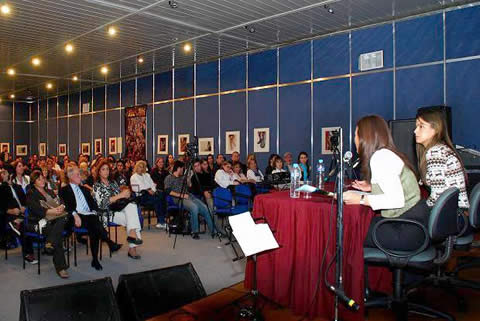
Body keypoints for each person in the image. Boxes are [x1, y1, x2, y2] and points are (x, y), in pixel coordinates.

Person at [343, 115, 429, 251]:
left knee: (348, 233)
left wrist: (360, 199)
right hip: (415, 225)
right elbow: (397, 187)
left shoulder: (380, 157)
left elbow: (396, 200)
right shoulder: (387, 154)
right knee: (359, 226)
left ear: (366, 137)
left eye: (356, 135)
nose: (354, 140)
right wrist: (373, 187)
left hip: (406, 230)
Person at [59, 166, 122, 271]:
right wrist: (75, 214)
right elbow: (66, 206)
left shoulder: (84, 189)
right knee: (94, 223)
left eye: (80, 174)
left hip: (89, 215)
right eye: (77, 175)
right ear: (70, 177)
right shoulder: (64, 190)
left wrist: (96, 211)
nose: (80, 177)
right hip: (76, 216)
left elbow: (93, 205)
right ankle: (108, 243)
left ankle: (96, 259)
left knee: (94, 227)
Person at [415, 109, 469, 210]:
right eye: (416, 126)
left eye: (421, 126)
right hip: (456, 212)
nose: (415, 131)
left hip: (451, 215)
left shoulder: (435, 153)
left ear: (435, 129)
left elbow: (437, 197)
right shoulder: (441, 148)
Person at [93, 160, 142, 260]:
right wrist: (120, 195)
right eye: (103, 169)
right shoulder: (97, 186)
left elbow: (120, 197)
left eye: (107, 169)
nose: (106, 171)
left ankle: (132, 234)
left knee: (132, 206)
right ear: (99, 172)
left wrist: (125, 193)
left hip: (118, 208)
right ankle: (133, 246)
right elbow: (102, 204)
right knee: (132, 218)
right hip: (107, 213)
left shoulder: (113, 182)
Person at [27, 170, 70, 278]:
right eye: (39, 179)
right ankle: (61, 268)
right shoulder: (31, 193)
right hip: (41, 220)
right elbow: (35, 209)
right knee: (56, 234)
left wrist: (61, 207)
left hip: (56, 218)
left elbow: (62, 201)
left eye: (42, 178)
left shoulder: (50, 191)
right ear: (34, 182)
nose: (42, 180)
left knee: (64, 218)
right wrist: (51, 211)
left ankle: (49, 242)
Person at [164, 161, 217, 239]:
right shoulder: (169, 177)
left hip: (189, 196)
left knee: (205, 208)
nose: (183, 170)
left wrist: (188, 179)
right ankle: (194, 231)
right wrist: (181, 195)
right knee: (194, 207)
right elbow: (168, 191)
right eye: (182, 168)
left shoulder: (183, 177)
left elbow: (190, 186)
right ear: (179, 168)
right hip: (178, 198)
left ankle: (213, 231)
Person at [0, 170, 37, 264]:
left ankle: (17, 222)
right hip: (9, 215)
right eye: (2, 173)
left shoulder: (18, 187)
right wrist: (10, 211)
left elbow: (25, 200)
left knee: (31, 222)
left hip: (22, 213)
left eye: (5, 172)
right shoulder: (1, 188)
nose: (2, 174)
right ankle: (28, 254)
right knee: (24, 228)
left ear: (11, 175)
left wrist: (24, 207)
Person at [130, 160, 166, 229]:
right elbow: (138, 188)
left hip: (150, 193)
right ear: (136, 167)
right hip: (141, 196)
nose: (141, 168)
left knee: (162, 195)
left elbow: (153, 184)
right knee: (158, 199)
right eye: (140, 167)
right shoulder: (133, 177)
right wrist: (148, 190)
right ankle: (161, 221)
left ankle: (161, 221)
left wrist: (152, 190)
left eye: (143, 167)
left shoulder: (147, 175)